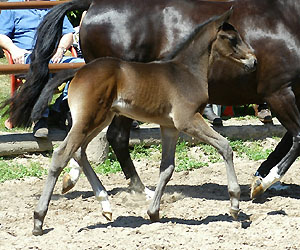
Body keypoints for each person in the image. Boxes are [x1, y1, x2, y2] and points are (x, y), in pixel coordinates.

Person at [0, 0, 84, 138]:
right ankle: (40, 118)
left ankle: (60, 108)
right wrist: (14, 50)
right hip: (27, 56)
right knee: (43, 66)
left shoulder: (52, 5)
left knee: (84, 66)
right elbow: (1, 35)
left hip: (54, 56)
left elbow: (68, 33)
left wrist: (61, 49)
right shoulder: (14, 5)